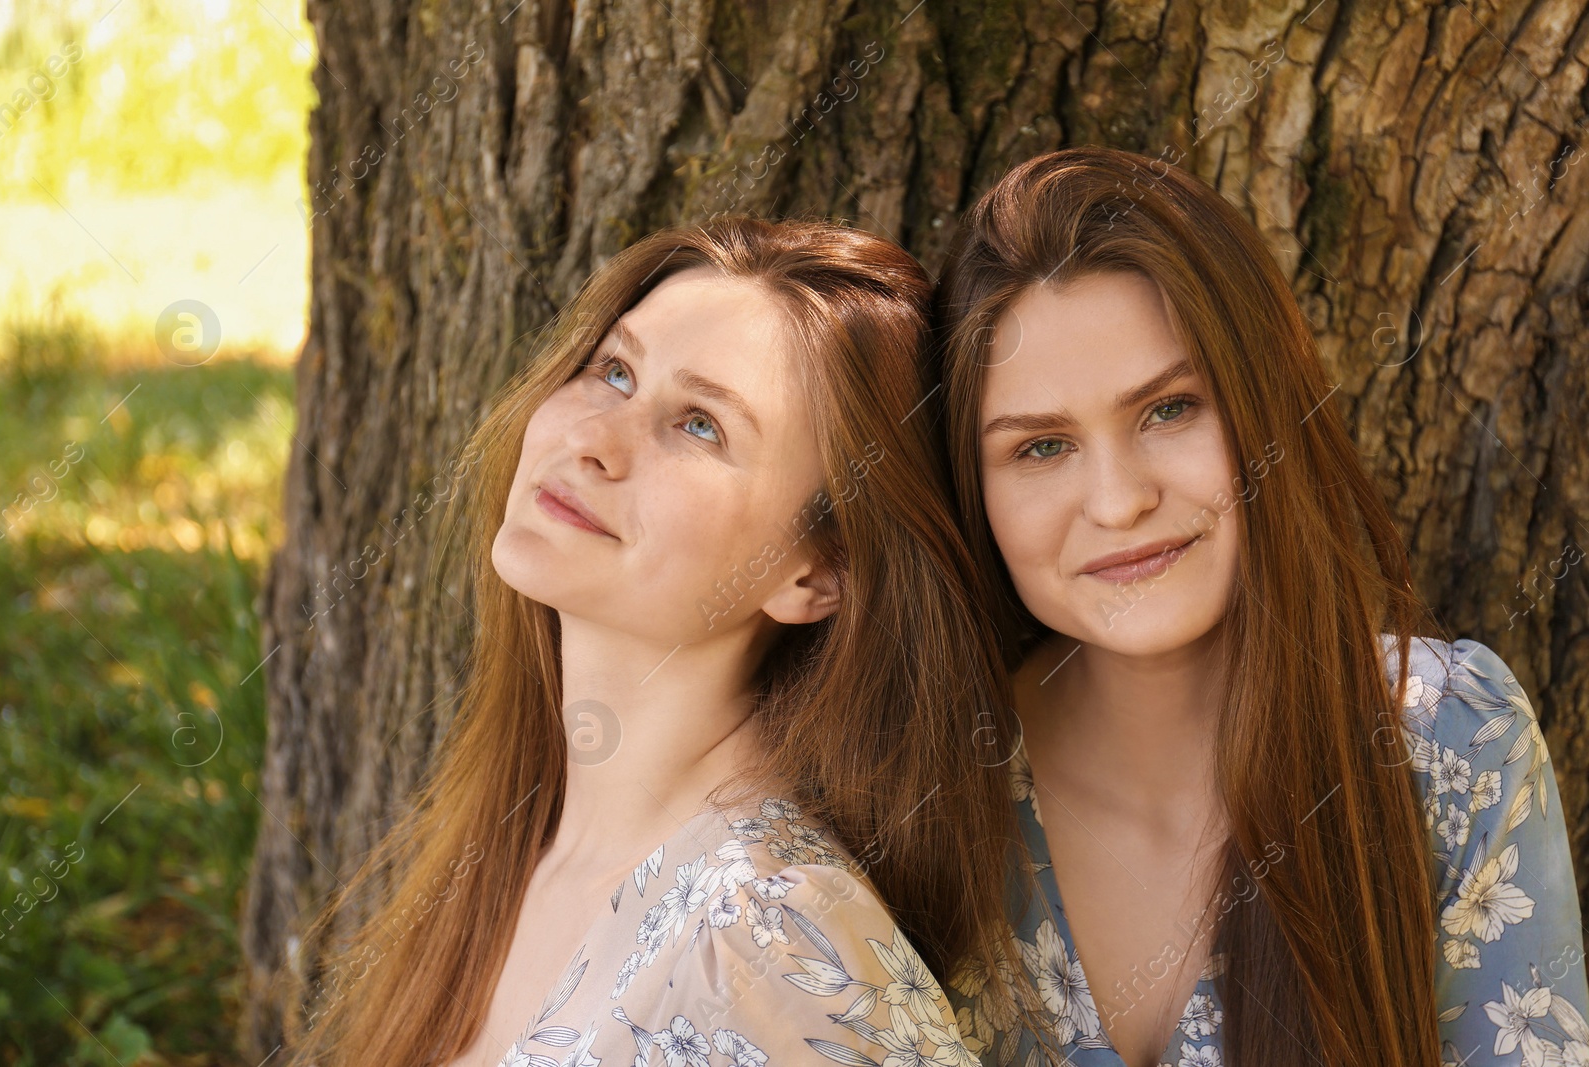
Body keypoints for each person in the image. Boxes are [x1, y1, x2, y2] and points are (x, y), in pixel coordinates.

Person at [281, 216, 1027, 1067]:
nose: (592, 440)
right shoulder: (522, 840)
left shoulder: (769, 947)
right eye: (614, 370)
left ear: (816, 574)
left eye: (700, 424)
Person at [930, 145, 1589, 1067]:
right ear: (975, 487)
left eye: (1169, 409)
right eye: (1041, 447)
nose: (1118, 502)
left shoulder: (1451, 742)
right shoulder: (922, 782)